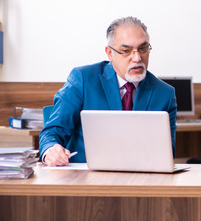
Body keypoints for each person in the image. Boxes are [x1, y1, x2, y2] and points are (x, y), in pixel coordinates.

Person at [40, 17, 177, 166]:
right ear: (109, 53)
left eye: (143, 49)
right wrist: (51, 150)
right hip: (86, 179)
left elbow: (167, 153)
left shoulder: (165, 94)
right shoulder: (84, 79)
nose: (137, 58)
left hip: (140, 178)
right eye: (126, 51)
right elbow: (52, 133)